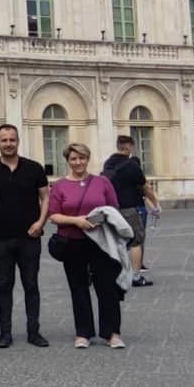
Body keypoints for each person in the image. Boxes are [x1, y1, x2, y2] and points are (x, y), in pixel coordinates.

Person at [0, 124, 50, 349]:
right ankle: (5, 333)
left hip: (30, 237)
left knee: (31, 285)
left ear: (18, 141)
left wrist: (40, 223)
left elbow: (46, 198)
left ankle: (33, 332)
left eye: (12, 140)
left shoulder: (34, 168)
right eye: (4, 140)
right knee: (4, 285)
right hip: (1, 238)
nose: (8, 144)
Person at [48, 143, 127, 349]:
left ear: (87, 159)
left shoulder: (102, 182)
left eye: (81, 158)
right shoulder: (59, 186)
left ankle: (112, 333)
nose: (78, 162)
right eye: (73, 159)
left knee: (107, 287)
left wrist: (102, 219)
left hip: (101, 242)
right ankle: (83, 332)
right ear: (68, 161)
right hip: (72, 242)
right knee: (78, 287)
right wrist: (76, 221)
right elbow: (53, 215)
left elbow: (114, 210)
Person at [101, 135, 160, 287]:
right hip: (130, 207)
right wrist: (155, 203)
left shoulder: (107, 164)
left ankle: (111, 273)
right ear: (129, 148)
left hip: (111, 208)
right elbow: (145, 186)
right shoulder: (131, 165)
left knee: (114, 240)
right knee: (136, 241)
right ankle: (135, 276)